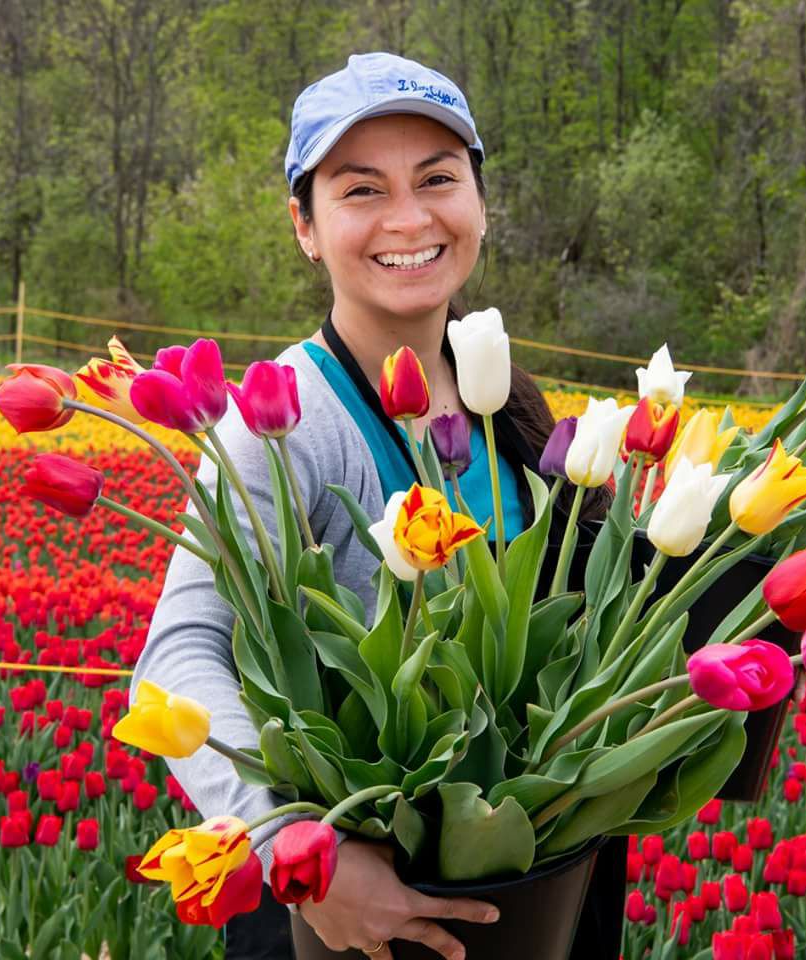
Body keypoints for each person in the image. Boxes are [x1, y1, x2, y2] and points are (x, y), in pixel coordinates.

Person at [133, 52, 621, 960]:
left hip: (535, 896)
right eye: (361, 190)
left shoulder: (506, 398)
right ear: (305, 226)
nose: (409, 218)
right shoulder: (282, 425)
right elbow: (177, 656)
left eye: (438, 179)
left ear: (479, 201)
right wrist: (293, 849)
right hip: (346, 912)